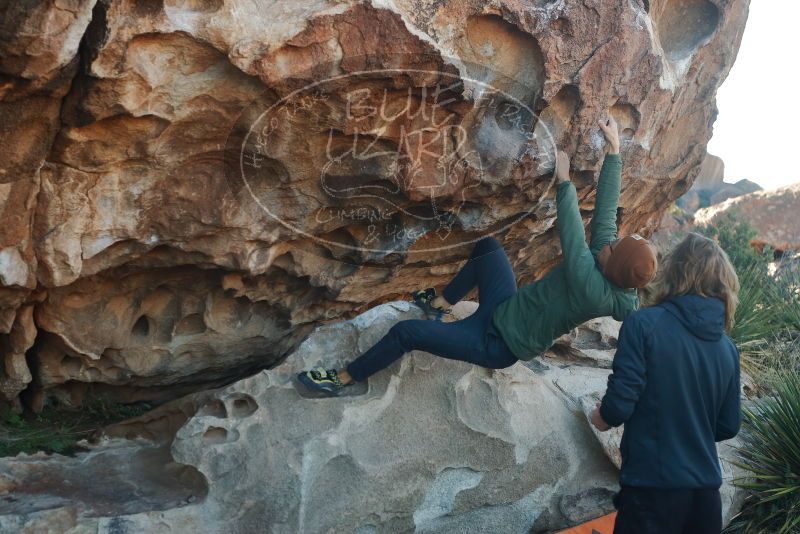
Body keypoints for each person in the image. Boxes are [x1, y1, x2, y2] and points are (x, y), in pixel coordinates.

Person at [299, 116, 658, 395]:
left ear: (614, 266)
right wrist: (613, 151)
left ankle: (345, 377)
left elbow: (575, 237)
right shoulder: (612, 268)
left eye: (612, 247)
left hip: (494, 344)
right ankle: (441, 303)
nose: (608, 243)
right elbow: (606, 217)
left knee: (406, 333)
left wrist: (564, 182)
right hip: (504, 309)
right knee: (488, 249)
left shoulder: (590, 283)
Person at [589, 232, 742, 534]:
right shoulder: (727, 349)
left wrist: (601, 417)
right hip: (706, 500)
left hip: (653, 492)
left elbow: (620, 404)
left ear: (676, 271)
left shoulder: (644, 324)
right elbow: (728, 426)